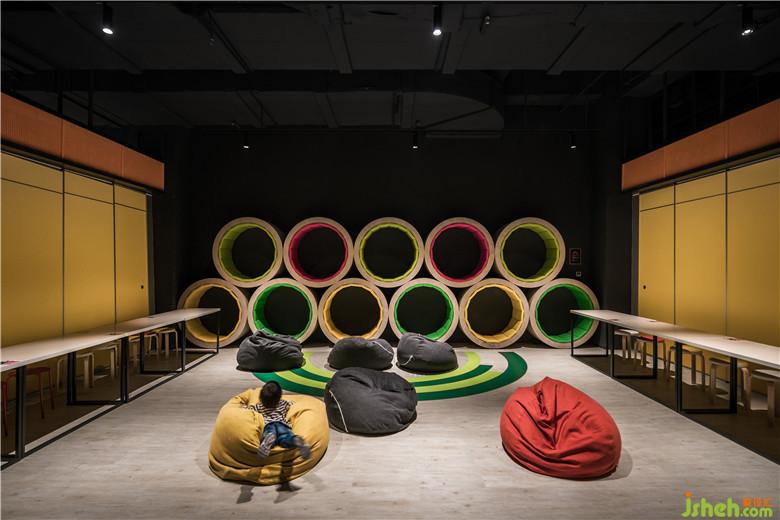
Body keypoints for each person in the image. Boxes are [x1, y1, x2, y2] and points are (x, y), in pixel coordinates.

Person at [252, 381, 311, 459]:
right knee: (286, 439)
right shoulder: (283, 403)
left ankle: (268, 440)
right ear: (279, 397)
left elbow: (250, 410)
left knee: (269, 434)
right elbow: (292, 404)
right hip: (282, 425)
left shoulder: (259, 406)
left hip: (269, 424)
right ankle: (295, 440)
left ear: (261, 397)